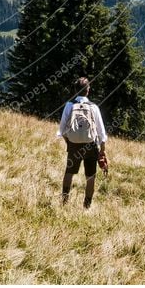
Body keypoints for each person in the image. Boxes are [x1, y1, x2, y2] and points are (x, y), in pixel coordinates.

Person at [57, 76, 108, 209]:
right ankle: (87, 206)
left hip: (73, 145)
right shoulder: (94, 107)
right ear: (87, 91)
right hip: (90, 145)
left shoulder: (69, 105)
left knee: (69, 173)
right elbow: (101, 133)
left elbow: (62, 130)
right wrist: (102, 151)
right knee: (90, 176)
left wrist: (69, 142)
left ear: (75, 90)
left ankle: (64, 202)